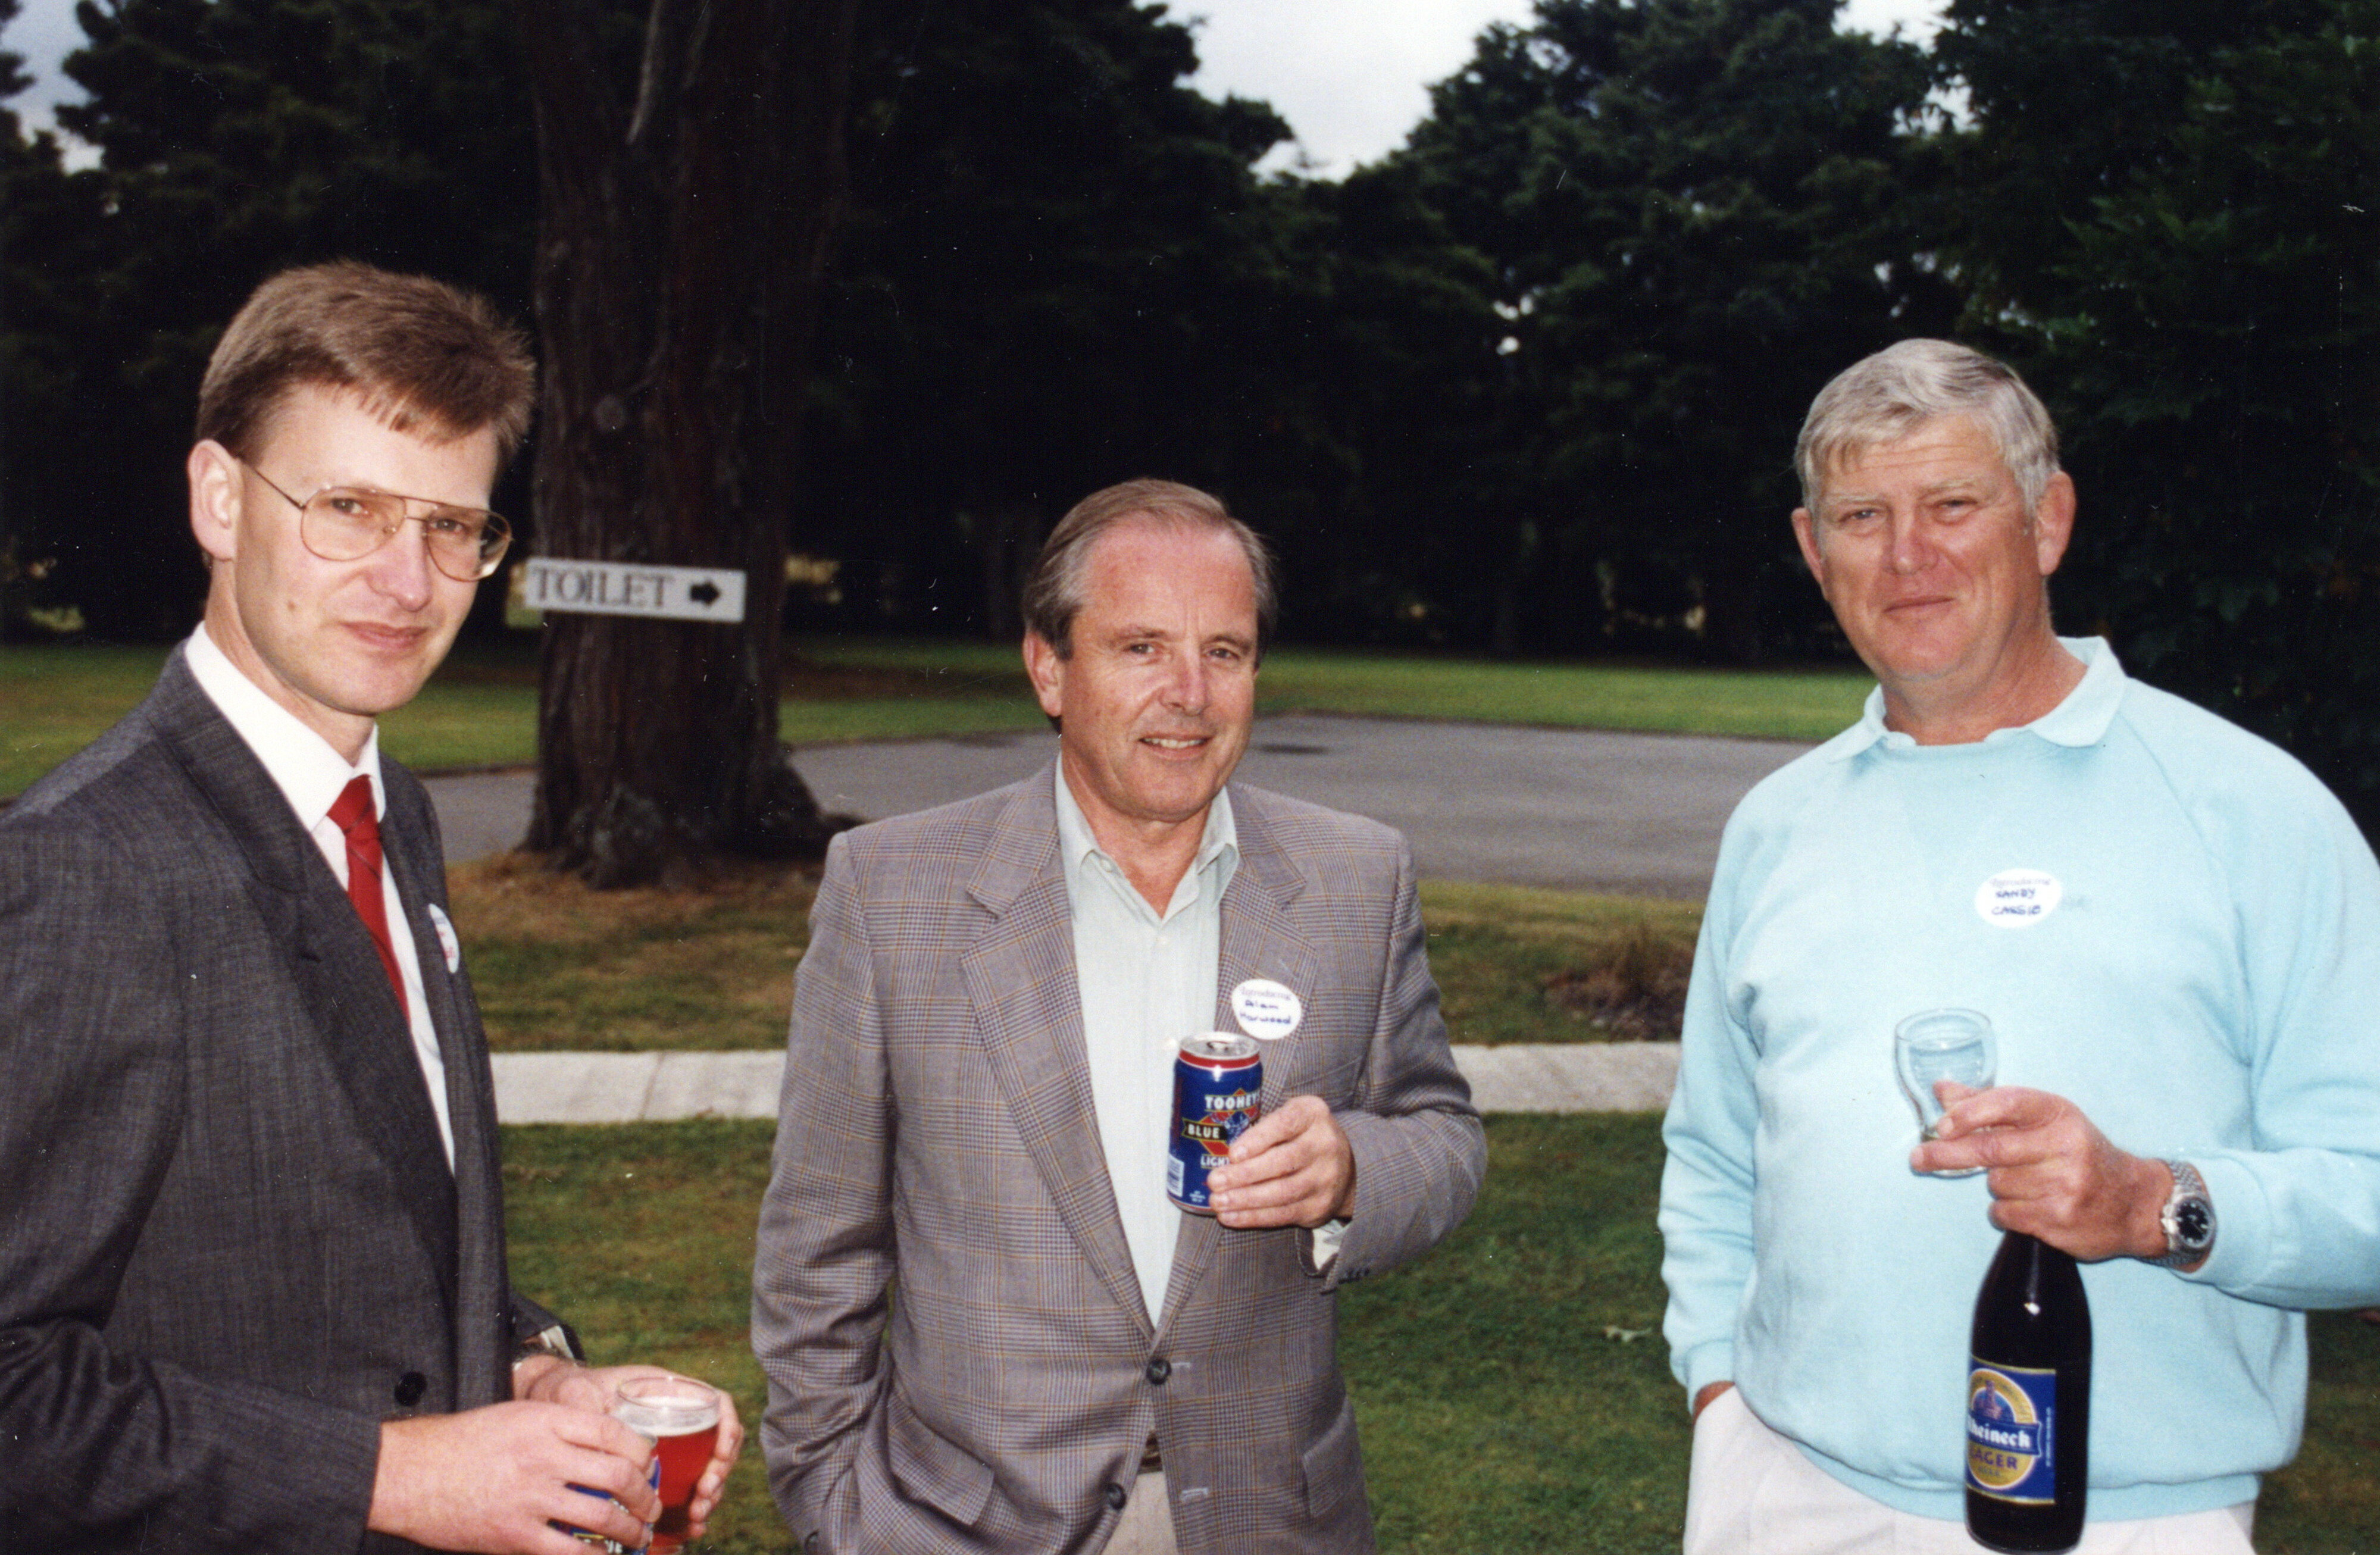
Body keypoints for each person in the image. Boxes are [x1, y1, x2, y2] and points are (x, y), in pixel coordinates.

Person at [0, 261, 742, 1554]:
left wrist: (533, 1372)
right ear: (219, 497)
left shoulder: (393, 814)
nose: (410, 582)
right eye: (348, 506)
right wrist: (384, 1476)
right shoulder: (84, 867)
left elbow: (379, 1227)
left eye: (455, 526)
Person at [1659, 338, 2380, 1552]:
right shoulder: (1774, 824)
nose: (1906, 556)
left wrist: (2156, 1200)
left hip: (2123, 1518)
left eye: (1951, 504)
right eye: (1860, 515)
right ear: (1807, 547)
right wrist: (1717, 1387)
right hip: (1782, 1487)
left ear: (2045, 521)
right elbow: (1712, 1156)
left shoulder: (2248, 809)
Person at [751, 479, 1485, 1554]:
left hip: (1271, 1518)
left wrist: (1353, 1173)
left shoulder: (1354, 877)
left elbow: (1446, 1135)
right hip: (962, 1525)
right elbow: (818, 1248)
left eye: (1224, 651)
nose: (1189, 692)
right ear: (1050, 667)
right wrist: (835, 1506)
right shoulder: (891, 888)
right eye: (1142, 647)